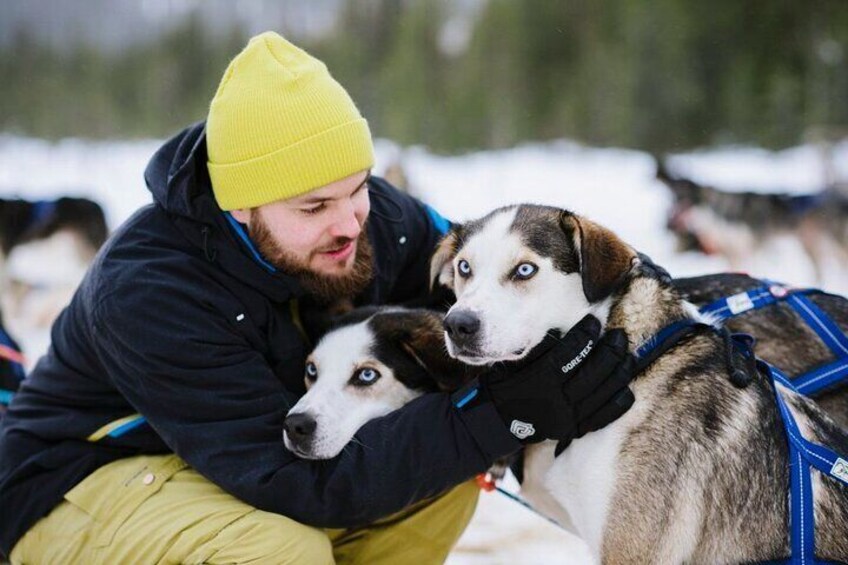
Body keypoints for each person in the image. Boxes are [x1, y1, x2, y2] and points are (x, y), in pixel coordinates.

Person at [0, 32, 635, 564]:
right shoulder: (150, 291)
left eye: (356, 188)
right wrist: (499, 413)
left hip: (225, 461)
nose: (350, 222)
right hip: (75, 481)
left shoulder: (370, 218)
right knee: (277, 548)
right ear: (240, 204)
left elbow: (484, 266)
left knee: (442, 486)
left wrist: (628, 292)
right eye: (314, 206)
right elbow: (291, 479)